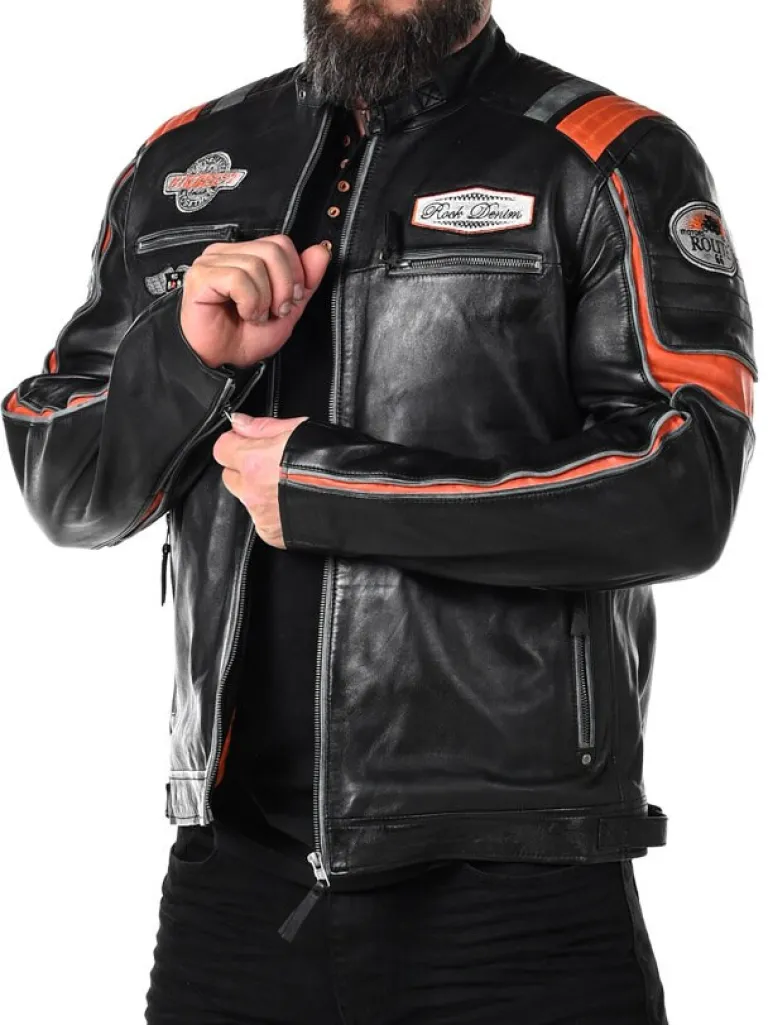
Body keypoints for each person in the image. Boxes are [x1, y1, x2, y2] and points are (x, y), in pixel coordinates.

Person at [2, 1, 756, 1022]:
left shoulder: (608, 155)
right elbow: (65, 484)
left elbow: (687, 487)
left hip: (517, 884)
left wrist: (334, 490)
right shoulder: (183, 159)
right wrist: (183, 358)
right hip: (235, 879)